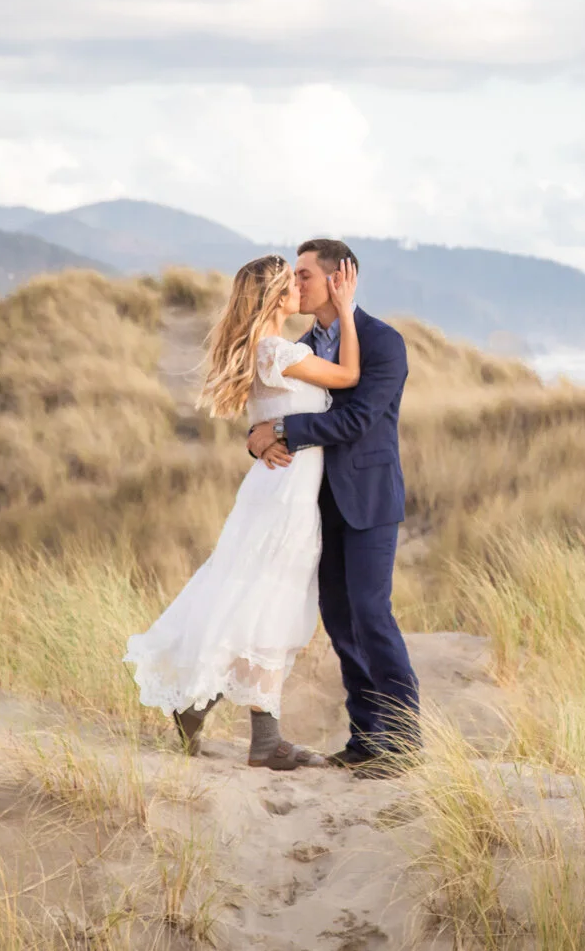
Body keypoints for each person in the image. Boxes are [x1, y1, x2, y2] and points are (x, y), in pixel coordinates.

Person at [125, 252, 360, 769]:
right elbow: (348, 375)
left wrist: (264, 438)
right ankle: (258, 736)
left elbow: (276, 418)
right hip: (283, 496)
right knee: (267, 602)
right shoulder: (277, 350)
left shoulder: (268, 349)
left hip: (277, 489)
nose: (301, 287)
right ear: (276, 297)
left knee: (256, 599)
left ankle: (207, 707)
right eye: (292, 282)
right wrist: (346, 309)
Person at [245, 238, 419, 777]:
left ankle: (404, 741)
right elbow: (271, 408)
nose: (293, 285)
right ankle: (367, 739)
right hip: (315, 503)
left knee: (372, 615)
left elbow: (356, 420)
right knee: (340, 620)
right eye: (292, 277)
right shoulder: (298, 346)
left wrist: (281, 431)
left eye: (304, 276)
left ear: (340, 278)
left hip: (368, 501)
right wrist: (256, 439)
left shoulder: (382, 342)